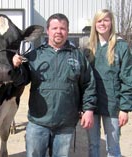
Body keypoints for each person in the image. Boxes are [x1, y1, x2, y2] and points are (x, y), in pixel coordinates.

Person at [13, 13, 97, 157]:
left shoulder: (78, 56)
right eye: (55, 28)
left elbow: (88, 83)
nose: (59, 31)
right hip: (38, 122)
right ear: (48, 31)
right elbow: (21, 80)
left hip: (65, 124)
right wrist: (16, 67)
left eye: (62, 28)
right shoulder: (34, 55)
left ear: (68, 31)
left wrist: (88, 109)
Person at [86, 9, 132, 157]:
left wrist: (124, 108)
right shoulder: (88, 48)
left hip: (113, 105)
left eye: (106, 20)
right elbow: (83, 79)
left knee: (112, 147)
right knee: (93, 146)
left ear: (111, 22)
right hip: (92, 105)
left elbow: (127, 79)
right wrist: (83, 106)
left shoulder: (121, 47)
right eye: (99, 20)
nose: (102, 23)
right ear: (95, 24)